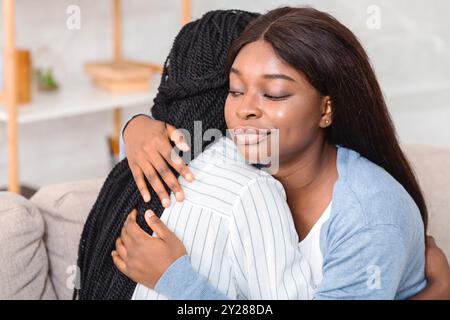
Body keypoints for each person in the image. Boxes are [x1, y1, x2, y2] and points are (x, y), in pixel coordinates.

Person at [114, 6, 450, 299]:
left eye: (273, 94)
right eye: (235, 90)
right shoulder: (241, 168)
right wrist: (137, 126)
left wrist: (176, 280)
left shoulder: (368, 215)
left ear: (326, 109)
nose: (245, 109)